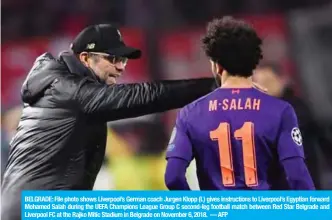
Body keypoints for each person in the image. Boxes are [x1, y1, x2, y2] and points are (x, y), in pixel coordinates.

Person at [1, 24, 219, 220]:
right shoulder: (69, 90)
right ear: (86, 58)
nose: (120, 67)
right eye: (112, 59)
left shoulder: (59, 86)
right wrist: (212, 87)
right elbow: (144, 96)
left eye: (122, 60)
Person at [164, 17, 315, 190]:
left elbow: (173, 177)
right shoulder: (281, 111)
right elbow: (297, 176)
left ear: (216, 66)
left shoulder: (189, 114)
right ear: (253, 63)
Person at [254, 63, 330, 189]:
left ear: (282, 80)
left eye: (267, 81)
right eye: (258, 82)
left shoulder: (295, 108)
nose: (263, 87)